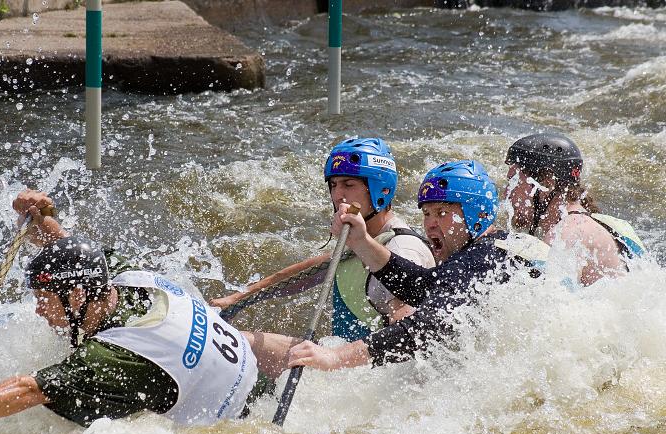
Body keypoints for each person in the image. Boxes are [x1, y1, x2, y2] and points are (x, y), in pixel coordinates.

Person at [0, 190, 259, 427]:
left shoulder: (110, 356)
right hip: (251, 375)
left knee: (70, 406)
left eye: (45, 300)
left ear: (76, 296)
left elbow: (29, 390)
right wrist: (41, 214)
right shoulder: (122, 276)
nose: (40, 312)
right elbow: (66, 247)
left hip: (235, 424)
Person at [249, 160, 540, 372]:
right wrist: (361, 242)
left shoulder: (483, 259)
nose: (430, 224)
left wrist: (336, 358)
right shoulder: (504, 247)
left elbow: (425, 326)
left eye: (443, 213)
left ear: (477, 214)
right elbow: (426, 287)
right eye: (426, 214)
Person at [211, 137, 435, 341]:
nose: (338, 195)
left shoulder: (404, 251)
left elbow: (407, 340)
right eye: (334, 185)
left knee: (249, 343)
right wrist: (240, 297)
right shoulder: (363, 237)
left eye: (349, 185)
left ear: (380, 189)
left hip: (362, 372)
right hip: (343, 364)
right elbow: (310, 273)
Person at [504, 132, 645, 286]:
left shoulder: (564, 236)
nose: (507, 193)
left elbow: (548, 305)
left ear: (546, 183)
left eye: (514, 182)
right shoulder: (597, 222)